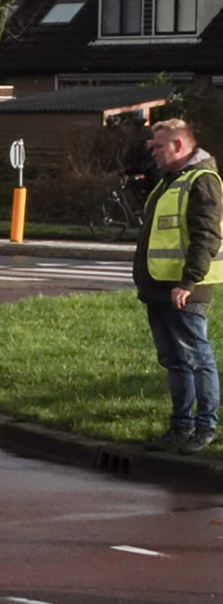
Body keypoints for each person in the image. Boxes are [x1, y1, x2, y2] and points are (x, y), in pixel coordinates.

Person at [134, 118, 221, 453]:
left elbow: (206, 237)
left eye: (157, 146)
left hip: (183, 290)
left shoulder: (202, 181)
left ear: (179, 146)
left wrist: (188, 281)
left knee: (197, 358)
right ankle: (180, 427)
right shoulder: (171, 181)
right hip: (159, 287)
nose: (152, 152)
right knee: (175, 360)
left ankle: (205, 427)